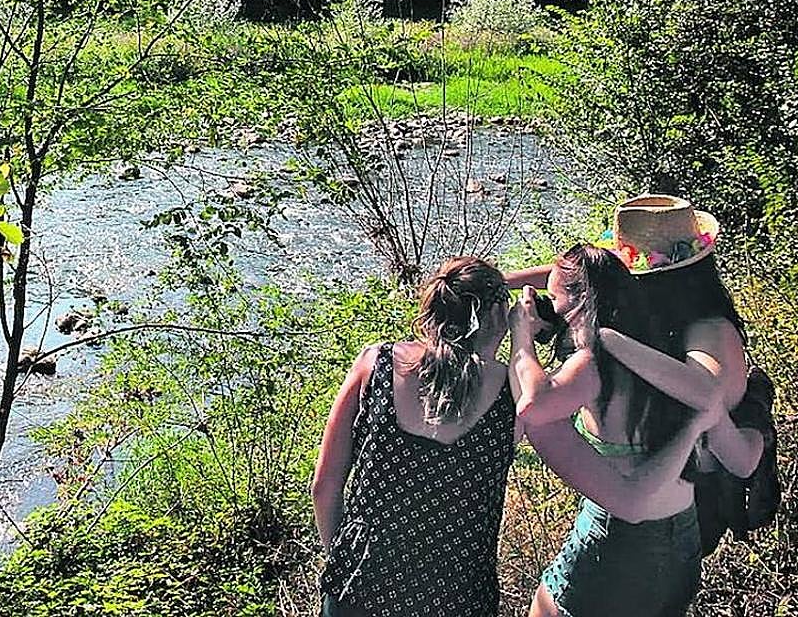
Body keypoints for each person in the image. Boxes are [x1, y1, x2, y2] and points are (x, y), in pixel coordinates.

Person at [314, 255, 716, 617]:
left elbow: (325, 485)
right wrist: (531, 333)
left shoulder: (376, 364)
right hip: (456, 596)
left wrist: (342, 560)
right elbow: (594, 275)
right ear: (496, 318)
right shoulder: (512, 398)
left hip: (360, 583)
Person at [509, 243, 709, 617]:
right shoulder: (656, 341)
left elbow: (536, 404)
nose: (551, 311)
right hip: (683, 530)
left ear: (579, 303)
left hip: (621, 537)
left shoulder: (592, 364)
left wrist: (521, 335)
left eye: (553, 300)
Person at [506, 195, 764, 484]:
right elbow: (585, 277)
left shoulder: (711, 333)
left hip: (691, 493)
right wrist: (502, 280)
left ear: (656, 280)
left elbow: (709, 409)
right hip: (663, 486)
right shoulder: (665, 313)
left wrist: (604, 340)